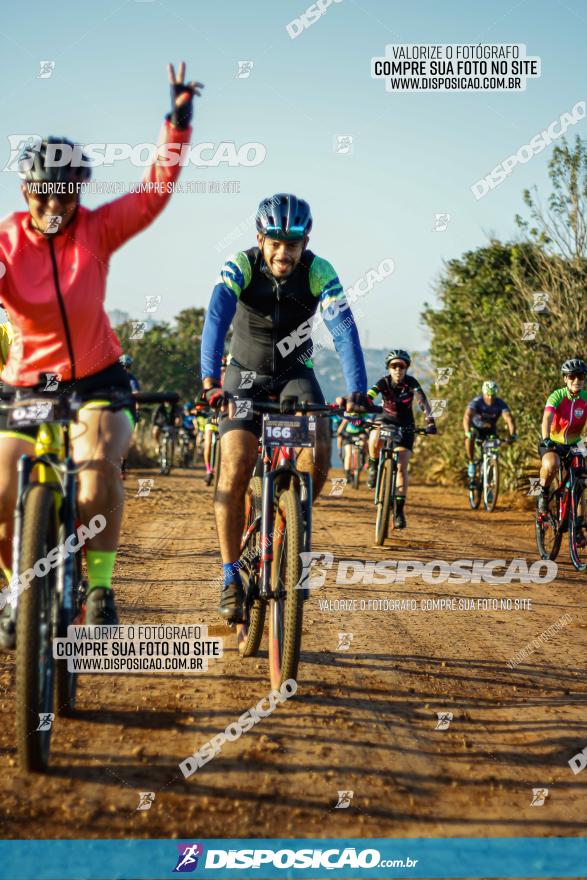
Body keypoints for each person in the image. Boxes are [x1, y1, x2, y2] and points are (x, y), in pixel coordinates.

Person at [0, 63, 202, 644]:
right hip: (27, 385)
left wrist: (177, 124)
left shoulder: (97, 230)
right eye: (45, 195)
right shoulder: (8, 241)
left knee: (94, 478)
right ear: (27, 192)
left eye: (67, 194)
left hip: (96, 378)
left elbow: (153, 192)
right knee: (1, 488)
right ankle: (19, 586)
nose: (56, 206)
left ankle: (99, 589)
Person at [200, 193, 368, 622]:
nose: (283, 251)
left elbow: (343, 328)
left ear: (305, 241)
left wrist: (359, 389)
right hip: (244, 375)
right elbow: (217, 315)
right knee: (235, 467)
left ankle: (287, 529)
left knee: (319, 455)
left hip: (296, 375)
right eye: (275, 241)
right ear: (261, 238)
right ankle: (230, 575)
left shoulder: (318, 271)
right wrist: (210, 380)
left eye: (292, 243)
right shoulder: (241, 264)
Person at [366, 349, 436, 528]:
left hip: (405, 424)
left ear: (406, 368)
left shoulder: (411, 383)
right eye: (393, 366)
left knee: (402, 466)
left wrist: (430, 421)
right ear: (389, 368)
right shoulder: (383, 382)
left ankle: (398, 511)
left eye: (401, 366)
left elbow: (422, 401)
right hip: (385, 419)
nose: (398, 369)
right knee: (374, 436)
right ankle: (373, 465)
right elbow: (370, 396)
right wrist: (362, 406)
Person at [536, 358, 587, 514]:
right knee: (552, 464)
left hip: (576, 444)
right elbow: (546, 419)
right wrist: (546, 439)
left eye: (580, 376)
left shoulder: (585, 398)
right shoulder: (557, 396)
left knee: (578, 482)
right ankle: (543, 493)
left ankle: (577, 527)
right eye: (572, 376)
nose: (576, 380)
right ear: (565, 378)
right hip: (553, 442)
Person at [463, 381, 517, 484]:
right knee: (469, 438)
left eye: (493, 395)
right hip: (476, 429)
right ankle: (471, 463)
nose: (490, 397)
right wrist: (467, 431)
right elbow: (467, 416)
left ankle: (490, 484)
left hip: (490, 430)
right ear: (483, 393)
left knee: (493, 454)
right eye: (488, 394)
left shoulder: (500, 403)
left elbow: (508, 418)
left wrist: (512, 434)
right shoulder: (477, 402)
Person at [337, 412, 370, 482]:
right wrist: (339, 433)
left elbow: (367, 424)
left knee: (364, 443)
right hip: (349, 434)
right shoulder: (348, 413)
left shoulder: (363, 414)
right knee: (348, 454)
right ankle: (347, 474)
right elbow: (343, 424)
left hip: (360, 434)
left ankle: (364, 458)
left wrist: (368, 433)